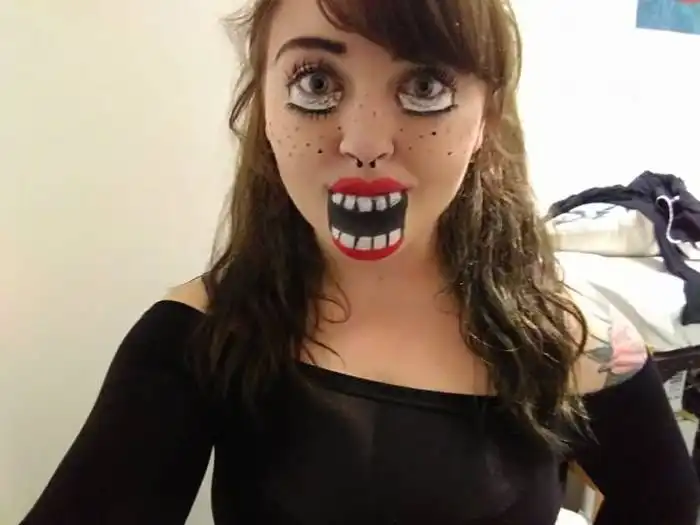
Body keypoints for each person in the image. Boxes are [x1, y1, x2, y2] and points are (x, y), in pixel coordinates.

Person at [19, 0, 700, 524]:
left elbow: (668, 506)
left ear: (486, 116)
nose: (366, 142)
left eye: (425, 85)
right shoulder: (195, 338)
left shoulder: (574, 342)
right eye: (316, 82)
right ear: (264, 105)